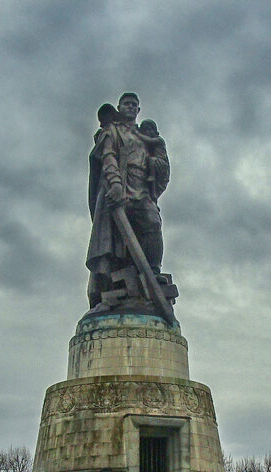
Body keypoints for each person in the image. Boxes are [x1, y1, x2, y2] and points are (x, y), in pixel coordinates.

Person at [86, 92, 172, 314]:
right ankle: (110, 289)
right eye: (126, 104)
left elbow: (162, 165)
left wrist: (157, 161)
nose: (130, 107)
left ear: (139, 110)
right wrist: (115, 184)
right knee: (116, 240)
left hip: (141, 188)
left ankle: (153, 272)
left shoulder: (145, 136)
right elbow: (108, 157)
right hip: (120, 187)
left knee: (152, 223)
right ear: (119, 107)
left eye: (134, 105)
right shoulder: (112, 131)